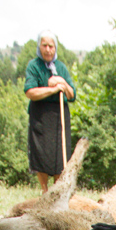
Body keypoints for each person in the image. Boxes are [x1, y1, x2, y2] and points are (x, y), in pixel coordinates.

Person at [24, 30, 76, 193]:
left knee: (60, 156)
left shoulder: (61, 67)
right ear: (39, 47)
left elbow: (72, 95)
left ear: (55, 48)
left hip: (60, 116)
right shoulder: (34, 66)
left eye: (51, 46)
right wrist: (52, 89)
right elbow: (30, 92)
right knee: (42, 155)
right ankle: (45, 191)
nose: (48, 49)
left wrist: (62, 83)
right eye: (44, 45)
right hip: (40, 116)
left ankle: (57, 192)